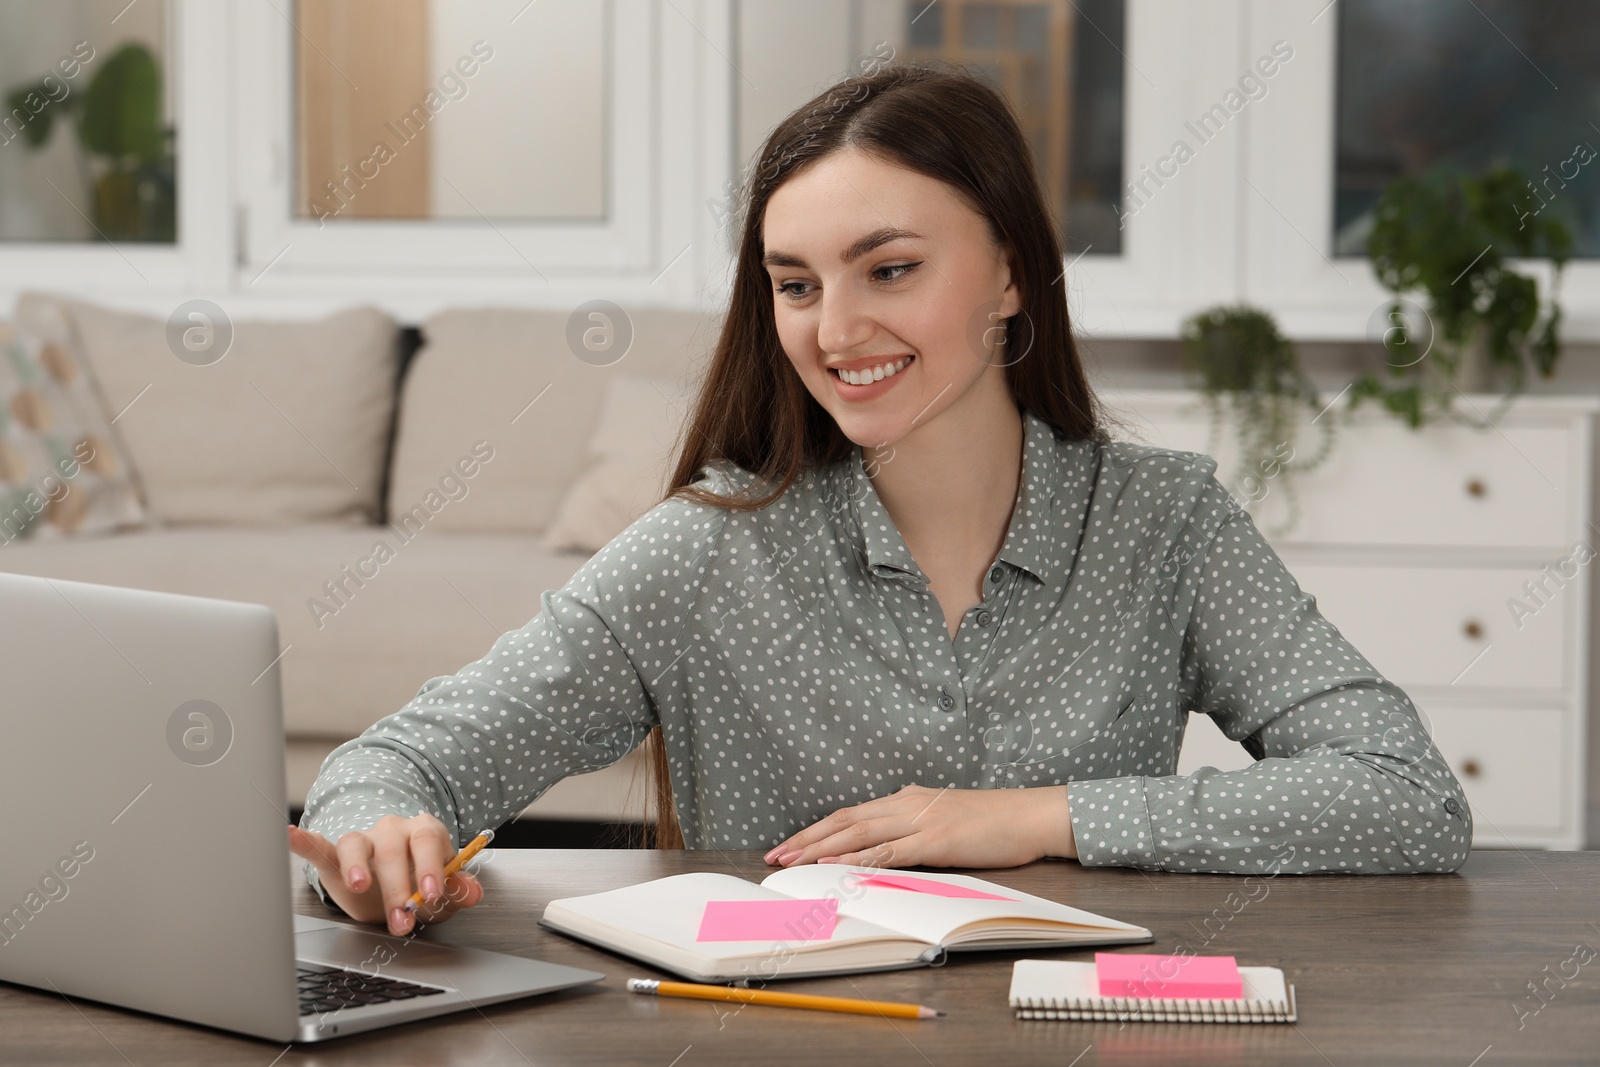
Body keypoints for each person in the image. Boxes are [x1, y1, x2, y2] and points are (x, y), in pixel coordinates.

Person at [290, 60, 1471, 938]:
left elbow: (1406, 796)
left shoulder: (1163, 520)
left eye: (889, 269)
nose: (835, 330)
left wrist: (1039, 815)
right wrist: (377, 831)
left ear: (1010, 271)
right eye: (794, 284)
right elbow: (393, 765)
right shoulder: (705, 550)